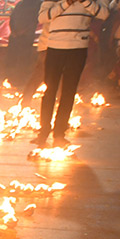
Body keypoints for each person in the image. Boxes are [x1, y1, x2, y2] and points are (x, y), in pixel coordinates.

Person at [35, 0, 109, 144]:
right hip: (54, 48)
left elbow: (104, 14)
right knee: (50, 91)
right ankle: (43, 131)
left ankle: (59, 133)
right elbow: (42, 17)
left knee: (68, 92)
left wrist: (85, 2)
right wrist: (66, 3)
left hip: (78, 49)